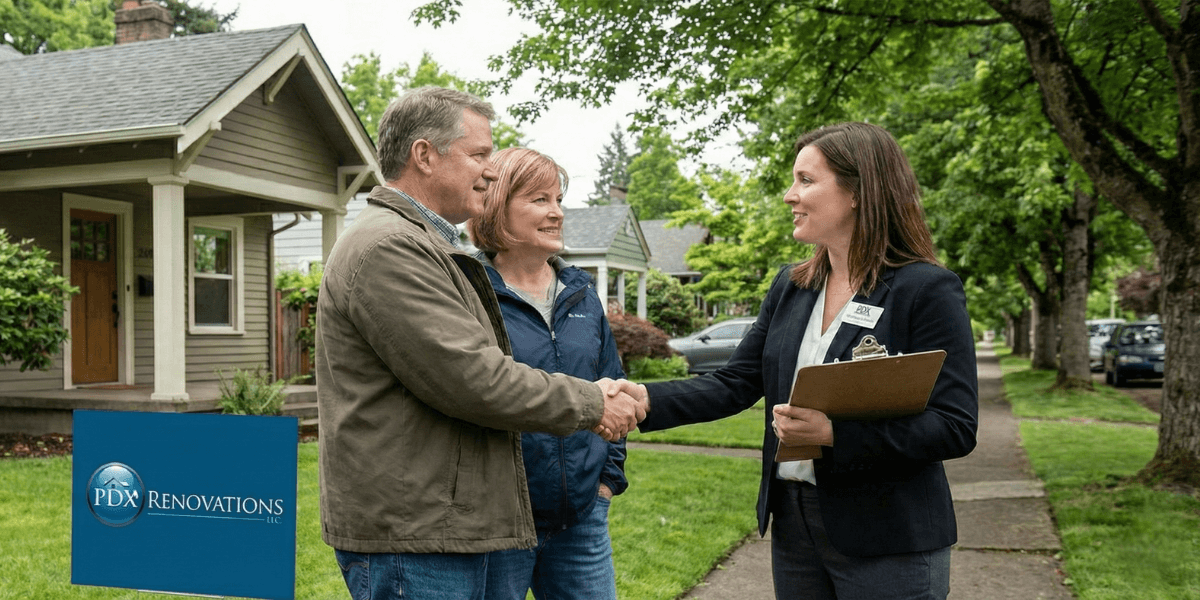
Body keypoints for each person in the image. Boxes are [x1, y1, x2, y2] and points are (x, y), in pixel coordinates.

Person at [315, 86, 646, 600]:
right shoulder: (391, 247)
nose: (489, 171)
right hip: (415, 536)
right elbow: (474, 379)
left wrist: (602, 479)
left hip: (441, 528)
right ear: (425, 155)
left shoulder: (427, 245)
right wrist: (593, 401)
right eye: (479, 155)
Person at [625, 122, 978, 599]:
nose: (790, 195)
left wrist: (834, 435)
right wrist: (642, 398)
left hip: (888, 537)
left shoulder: (925, 290)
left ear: (858, 192)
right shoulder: (792, 285)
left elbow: (954, 425)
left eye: (806, 180)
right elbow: (736, 382)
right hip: (794, 526)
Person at [468, 147, 626, 600]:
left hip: (581, 517)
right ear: (498, 206)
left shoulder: (581, 294)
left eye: (558, 200)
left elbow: (612, 386)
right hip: (500, 522)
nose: (556, 213)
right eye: (539, 200)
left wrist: (606, 483)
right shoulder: (470, 292)